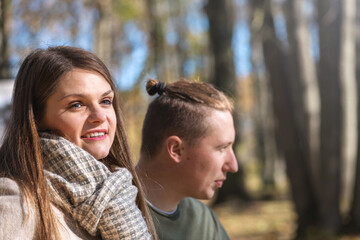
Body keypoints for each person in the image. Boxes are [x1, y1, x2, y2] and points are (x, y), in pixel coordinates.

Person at [0, 46, 156, 240]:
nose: (100, 116)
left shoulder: (119, 195)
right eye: (77, 105)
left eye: (106, 101)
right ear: (36, 119)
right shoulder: (18, 203)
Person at [136, 79, 238, 240]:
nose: (233, 166)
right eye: (222, 148)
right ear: (176, 150)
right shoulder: (103, 214)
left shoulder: (203, 221)